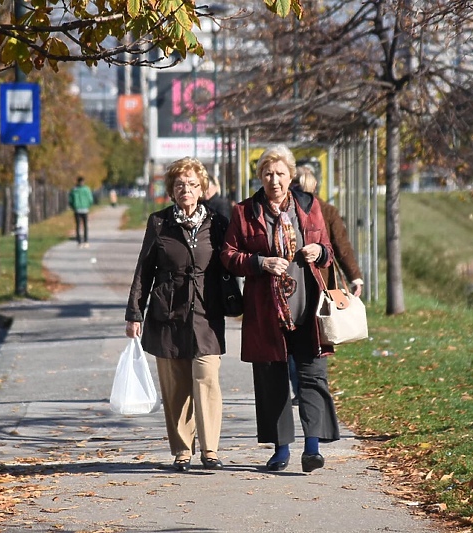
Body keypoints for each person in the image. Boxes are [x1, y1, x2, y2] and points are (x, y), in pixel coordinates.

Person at [221, 144, 341, 473]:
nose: (274, 180)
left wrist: (319, 250)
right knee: (272, 379)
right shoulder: (244, 212)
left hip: (307, 307)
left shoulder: (309, 206)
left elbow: (328, 249)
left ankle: (313, 448)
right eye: (268, 174)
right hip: (266, 312)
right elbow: (228, 256)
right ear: (259, 176)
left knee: (313, 376)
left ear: (291, 176)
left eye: (281, 174)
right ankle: (281, 449)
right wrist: (260, 262)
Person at [125, 157, 230, 472]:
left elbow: (232, 264)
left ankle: (210, 450)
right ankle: (183, 450)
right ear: (171, 190)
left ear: (202, 189)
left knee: (207, 378)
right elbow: (144, 271)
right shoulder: (159, 223)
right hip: (167, 315)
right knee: (175, 386)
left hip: (207, 315)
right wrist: (135, 314)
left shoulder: (218, 223)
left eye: (193, 184)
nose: (186, 189)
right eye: (180, 185)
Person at [288, 164, 364, 404]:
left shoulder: (320, 212)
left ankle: (303, 388)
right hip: (324, 283)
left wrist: (355, 276)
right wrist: (355, 277)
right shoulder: (327, 210)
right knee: (320, 335)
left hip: (306, 284)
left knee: (298, 340)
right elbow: (343, 246)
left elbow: (340, 246)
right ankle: (312, 386)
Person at [69, 176, 95, 248]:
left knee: (78, 226)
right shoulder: (86, 189)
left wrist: (73, 207)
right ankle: (86, 241)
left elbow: (70, 200)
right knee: (85, 225)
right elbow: (90, 199)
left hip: (77, 209)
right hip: (85, 209)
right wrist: (88, 205)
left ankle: (79, 241)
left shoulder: (74, 190)